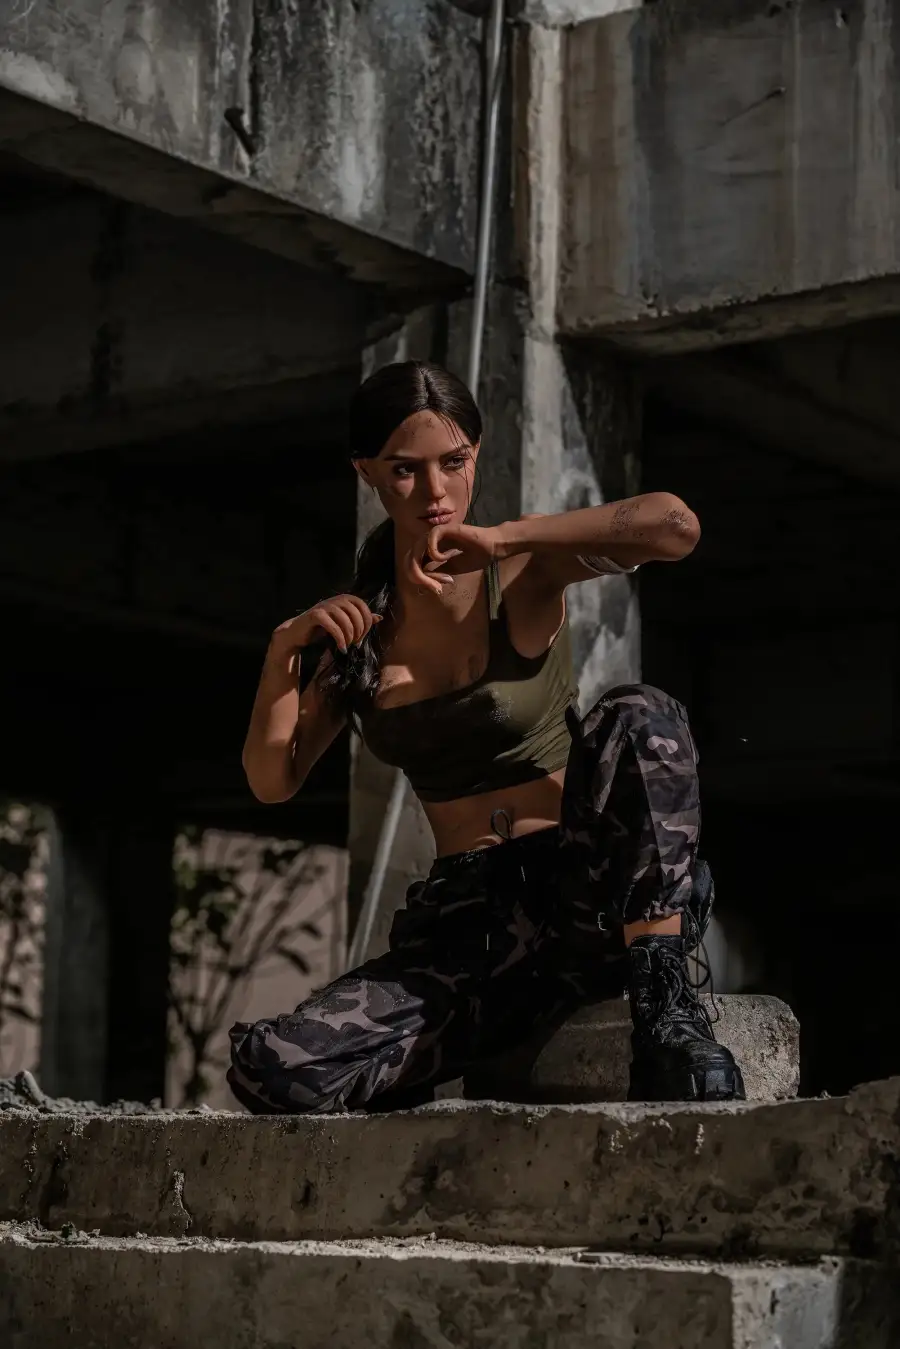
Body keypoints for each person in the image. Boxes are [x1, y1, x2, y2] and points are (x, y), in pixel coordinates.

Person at [229, 360, 745, 1114]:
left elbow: (675, 527)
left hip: (583, 890)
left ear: (476, 455)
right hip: (469, 929)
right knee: (274, 1067)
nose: (434, 491)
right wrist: (284, 650)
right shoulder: (359, 632)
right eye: (404, 470)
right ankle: (469, 1028)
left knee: (640, 714)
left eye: (454, 461)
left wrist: (505, 538)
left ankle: (665, 1007)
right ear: (365, 471)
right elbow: (272, 779)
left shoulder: (524, 568)